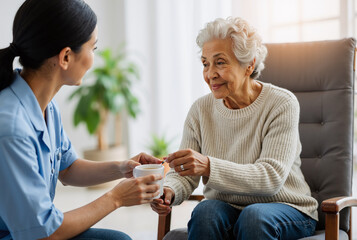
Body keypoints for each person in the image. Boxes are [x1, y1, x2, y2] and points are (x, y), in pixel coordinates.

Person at [0, 0, 162, 239]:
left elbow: (68, 168)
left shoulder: (45, 107)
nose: (93, 58)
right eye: (92, 48)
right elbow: (44, 233)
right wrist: (116, 198)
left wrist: (122, 168)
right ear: (66, 56)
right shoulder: (11, 127)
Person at [151, 17, 318, 240]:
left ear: (249, 65)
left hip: (288, 208)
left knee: (254, 217)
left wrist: (208, 166)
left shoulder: (282, 103)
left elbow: (271, 177)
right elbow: (186, 173)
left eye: (220, 62)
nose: (210, 74)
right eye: (205, 63)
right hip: (228, 208)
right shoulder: (200, 110)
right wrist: (168, 191)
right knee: (205, 212)